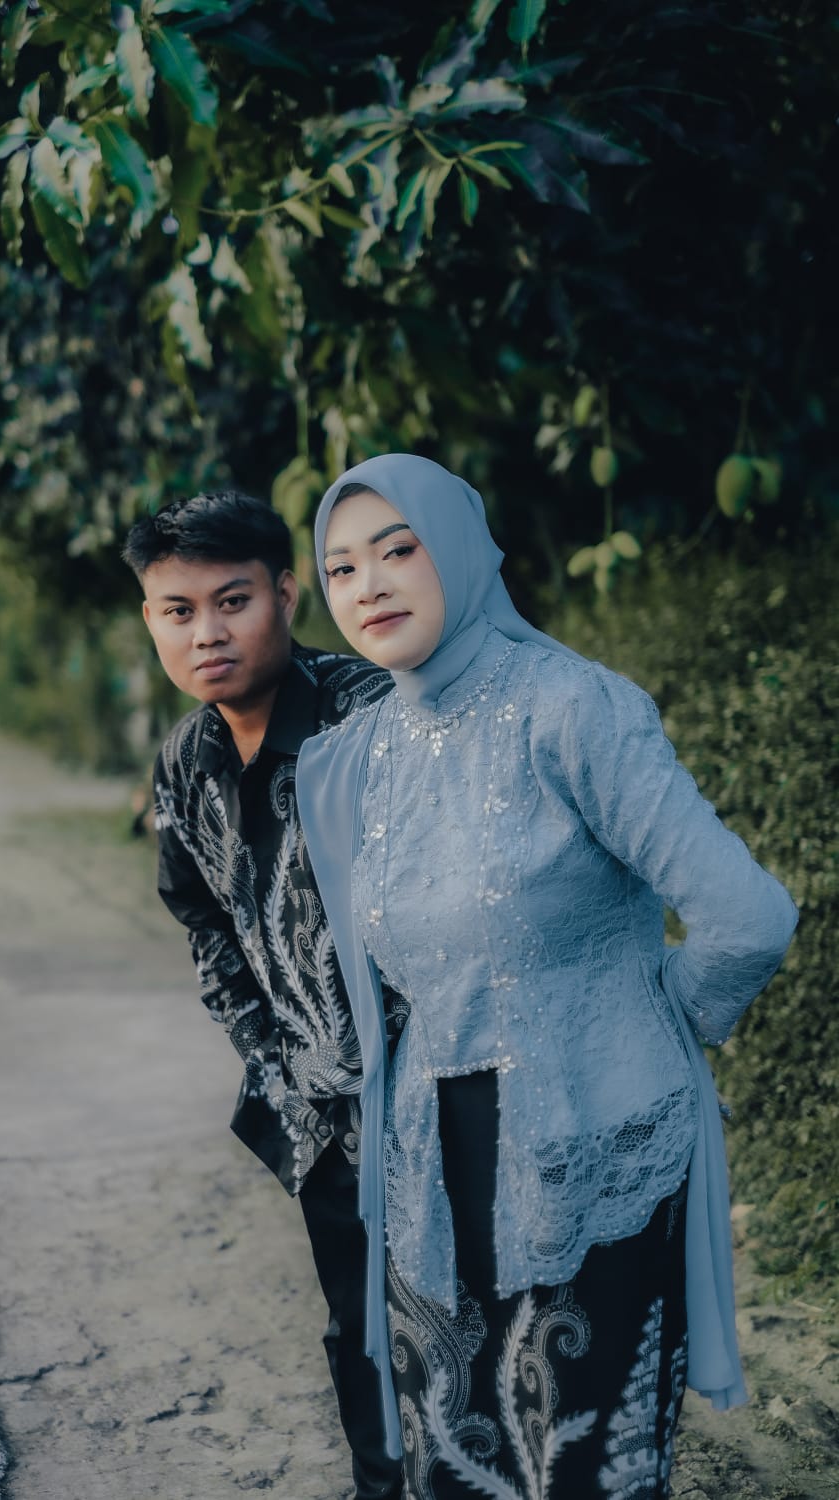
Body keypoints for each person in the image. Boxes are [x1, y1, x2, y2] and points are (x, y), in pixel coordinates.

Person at [295, 455, 799, 1500]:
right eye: (341, 569)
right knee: (458, 1465)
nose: (370, 585)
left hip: (592, 1153)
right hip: (433, 1175)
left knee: (583, 1472)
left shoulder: (570, 712)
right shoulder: (356, 758)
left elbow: (746, 917)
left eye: (398, 550)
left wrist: (650, 1024)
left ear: (461, 550)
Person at [122, 491, 402, 1500]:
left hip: (437, 1097)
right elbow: (200, 917)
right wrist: (273, 1058)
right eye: (178, 610)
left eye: (231, 601)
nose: (207, 632)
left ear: (285, 594)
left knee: (468, 1325)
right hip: (316, 1115)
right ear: (151, 620)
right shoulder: (183, 763)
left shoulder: (374, 717)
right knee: (359, 1332)